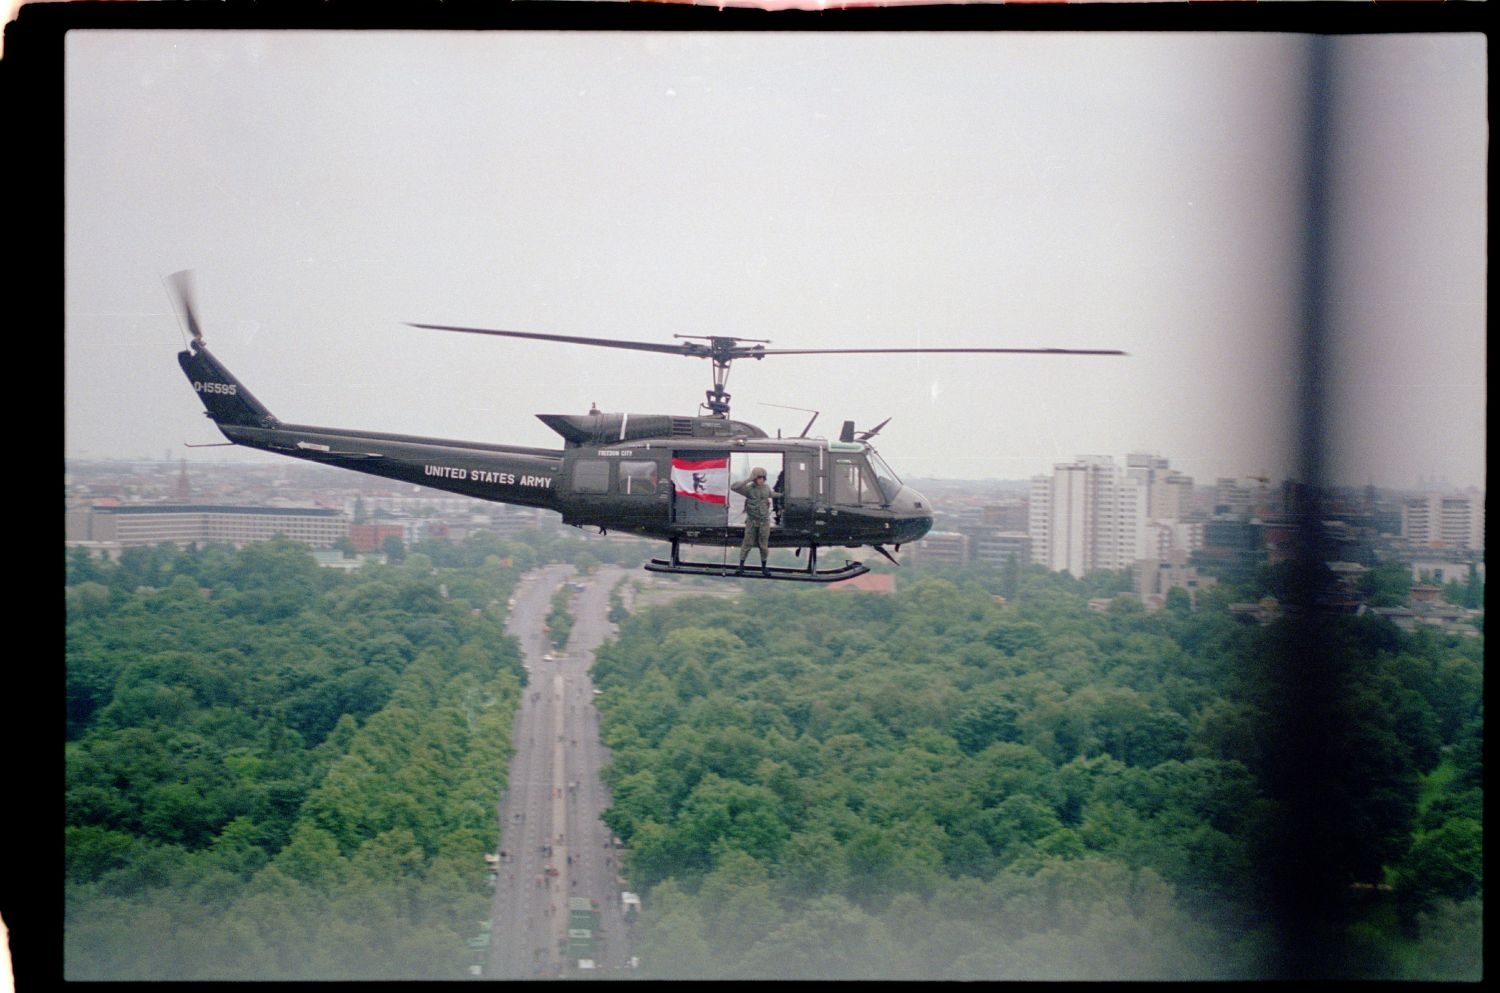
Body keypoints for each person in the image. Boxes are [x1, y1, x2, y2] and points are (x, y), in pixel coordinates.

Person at [730, 466, 778, 575]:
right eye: (758, 477)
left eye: (762, 477)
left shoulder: (766, 488)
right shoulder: (748, 489)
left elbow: (771, 494)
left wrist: (784, 495)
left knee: (763, 545)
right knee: (747, 544)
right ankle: (741, 566)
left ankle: (764, 567)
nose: (761, 480)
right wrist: (749, 479)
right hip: (752, 521)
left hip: (764, 521)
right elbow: (734, 487)